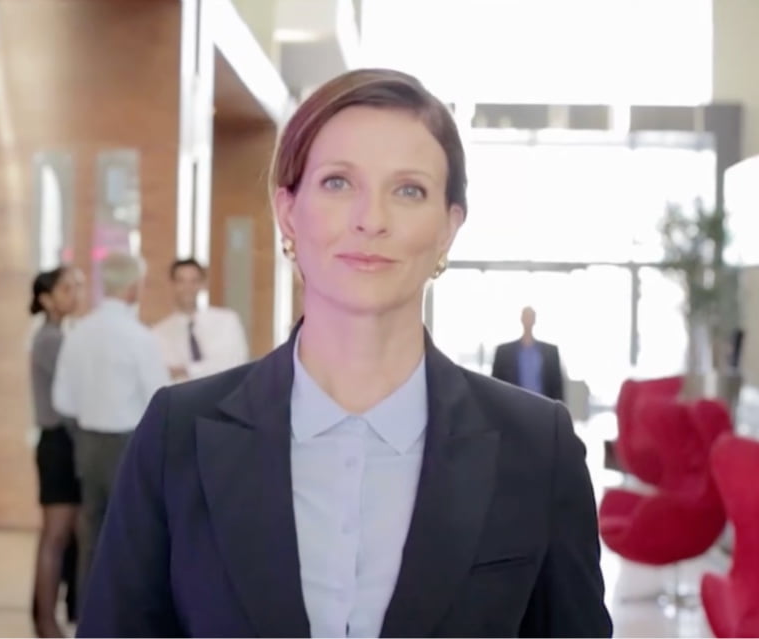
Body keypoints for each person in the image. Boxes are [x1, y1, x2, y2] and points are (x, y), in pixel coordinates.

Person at [77, 69, 612, 638]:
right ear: (287, 211)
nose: (371, 219)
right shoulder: (178, 434)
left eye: (408, 190)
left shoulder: (535, 446)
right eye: (337, 183)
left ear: (448, 228)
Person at [52, 252, 170, 607]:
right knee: (132, 533)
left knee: (92, 532)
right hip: (128, 444)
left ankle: (90, 615)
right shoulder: (139, 337)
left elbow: (63, 401)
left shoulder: (79, 333)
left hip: (87, 443)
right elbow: (159, 398)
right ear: (134, 287)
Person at [28, 266, 81, 638]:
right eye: (65, 288)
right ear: (46, 298)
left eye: (75, 287)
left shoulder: (59, 335)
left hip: (68, 442)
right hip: (58, 444)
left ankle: (58, 613)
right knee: (56, 534)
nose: (73, 293)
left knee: (68, 534)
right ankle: (45, 621)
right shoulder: (50, 340)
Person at [152, 258, 249, 382]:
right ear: (172, 285)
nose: (188, 287)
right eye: (181, 281)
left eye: (194, 281)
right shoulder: (159, 333)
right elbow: (165, 377)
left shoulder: (227, 321)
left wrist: (186, 370)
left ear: (203, 284)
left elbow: (235, 365)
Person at [492, 306, 565, 401]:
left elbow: (557, 387)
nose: (528, 320)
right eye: (526, 316)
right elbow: (495, 386)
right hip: (513, 408)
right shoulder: (504, 352)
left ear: (534, 320)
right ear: (521, 319)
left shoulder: (550, 352)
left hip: (543, 407)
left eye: (530, 316)